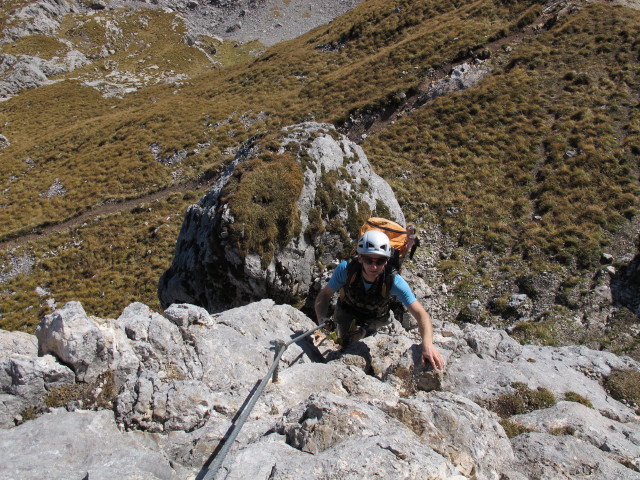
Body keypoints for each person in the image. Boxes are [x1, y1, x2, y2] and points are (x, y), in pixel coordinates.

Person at [315, 229, 445, 370]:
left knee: (358, 339)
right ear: (360, 257)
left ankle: (364, 331)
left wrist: (427, 344)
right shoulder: (346, 270)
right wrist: (321, 317)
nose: (374, 266)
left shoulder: (393, 280)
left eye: (380, 260)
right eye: (368, 260)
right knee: (345, 343)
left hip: (375, 317)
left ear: (387, 260)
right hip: (347, 309)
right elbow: (324, 296)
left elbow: (421, 314)